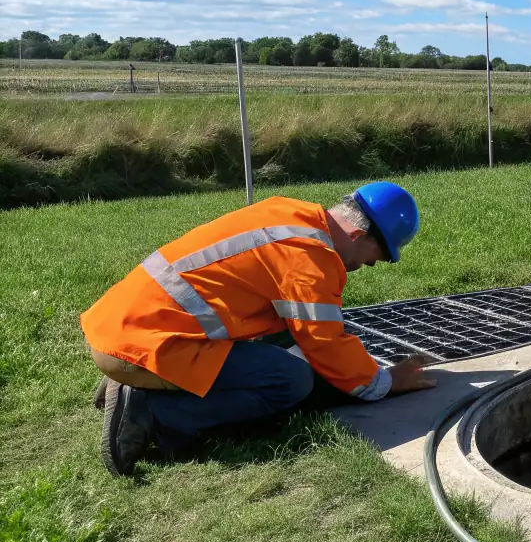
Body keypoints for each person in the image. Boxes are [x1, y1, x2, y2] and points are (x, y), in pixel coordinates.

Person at [85, 181, 436, 476]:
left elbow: (297, 332)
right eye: (383, 254)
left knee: (286, 345)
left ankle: (139, 380)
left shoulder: (290, 215)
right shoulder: (310, 257)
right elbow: (324, 342)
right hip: (143, 346)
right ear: (359, 235)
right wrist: (385, 382)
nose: (374, 264)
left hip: (124, 329)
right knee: (289, 380)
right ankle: (154, 411)